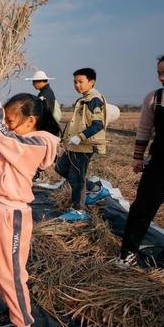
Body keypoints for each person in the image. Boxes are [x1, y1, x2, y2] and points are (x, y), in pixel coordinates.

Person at [0, 88, 60, 327]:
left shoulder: (37, 142)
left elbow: (3, 137)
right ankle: (13, 310)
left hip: (10, 213)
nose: (7, 126)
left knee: (11, 272)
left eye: (11, 121)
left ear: (30, 121)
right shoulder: (15, 138)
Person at [119, 47, 164, 266]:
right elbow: (144, 131)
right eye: (159, 73)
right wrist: (138, 158)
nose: (162, 78)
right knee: (141, 210)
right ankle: (127, 254)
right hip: (160, 165)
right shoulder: (154, 98)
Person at [55, 68, 107, 221]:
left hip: (83, 146)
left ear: (91, 82)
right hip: (74, 145)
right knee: (60, 167)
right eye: (75, 82)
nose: (77, 85)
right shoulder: (83, 99)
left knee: (76, 178)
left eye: (80, 82)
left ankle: (79, 210)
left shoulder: (93, 100)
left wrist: (80, 136)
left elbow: (98, 124)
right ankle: (94, 188)